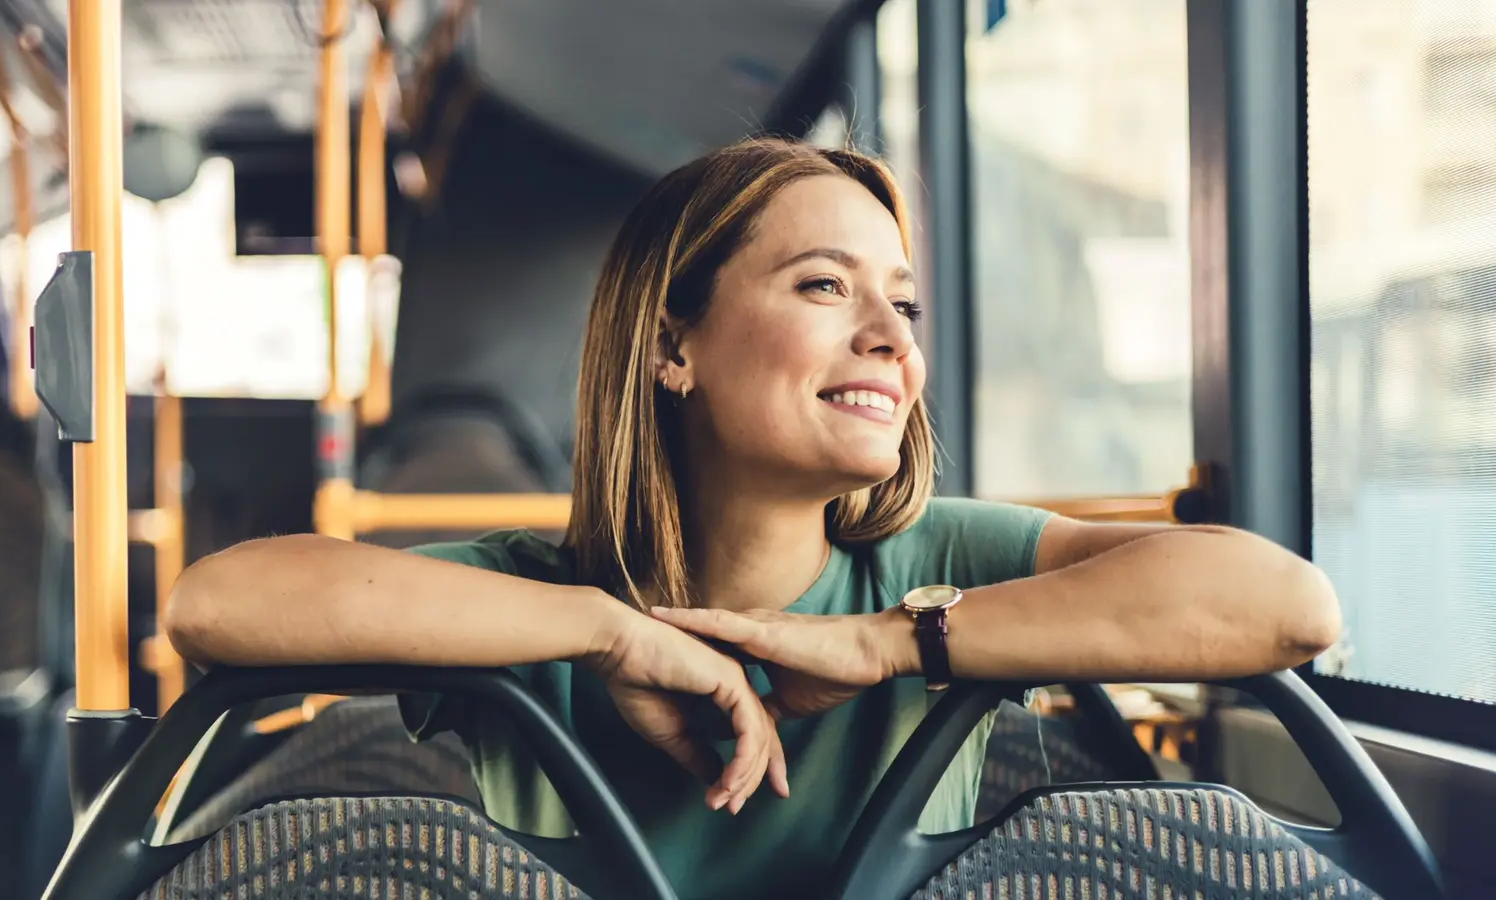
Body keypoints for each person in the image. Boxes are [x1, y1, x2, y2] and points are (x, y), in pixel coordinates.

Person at [164, 137, 1341, 899]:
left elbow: (1288, 608)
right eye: (826, 286)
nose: (890, 335)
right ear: (672, 344)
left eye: (904, 301)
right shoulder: (542, 593)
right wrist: (608, 632)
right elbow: (214, 605)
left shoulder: (939, 563)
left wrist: (889, 642)